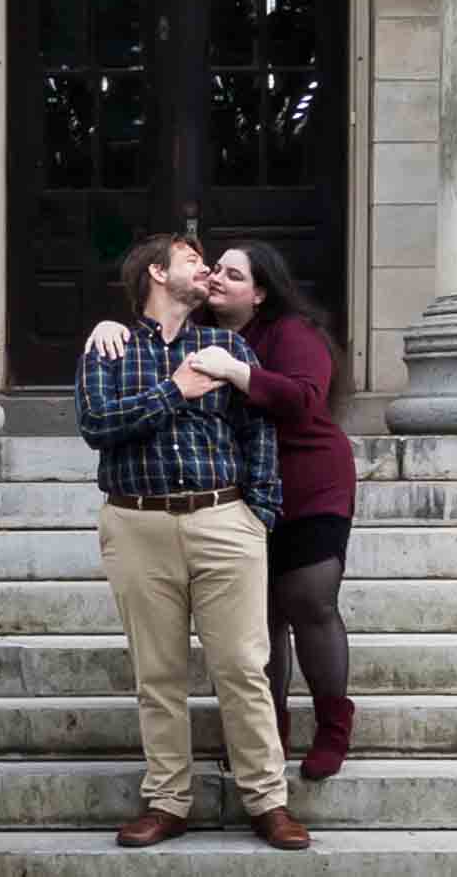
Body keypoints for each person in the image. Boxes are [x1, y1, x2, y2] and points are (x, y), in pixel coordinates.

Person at [75, 232, 312, 852]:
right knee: (159, 673)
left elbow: (257, 433)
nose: (206, 271)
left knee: (242, 666)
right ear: (157, 272)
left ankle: (268, 801)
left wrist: (257, 514)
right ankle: (168, 801)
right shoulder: (110, 348)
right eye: (192, 261)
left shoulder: (227, 345)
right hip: (137, 524)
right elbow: (98, 427)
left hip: (223, 521)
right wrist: (173, 390)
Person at [89, 240, 359, 780]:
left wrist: (237, 372)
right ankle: (272, 731)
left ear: (260, 292)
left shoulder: (289, 334)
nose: (215, 279)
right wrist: (105, 326)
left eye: (232, 276)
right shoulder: (201, 336)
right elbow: (151, 323)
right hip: (243, 490)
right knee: (263, 619)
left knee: (309, 600)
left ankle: (333, 726)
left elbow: (306, 401)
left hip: (309, 483)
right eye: (213, 270)